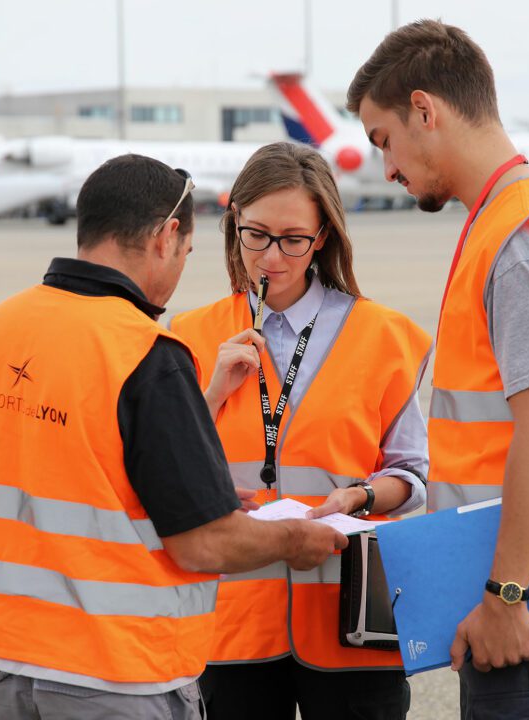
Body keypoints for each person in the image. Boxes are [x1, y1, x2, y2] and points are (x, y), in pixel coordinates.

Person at [0, 153, 348, 720]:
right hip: (111, 670)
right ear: (167, 236)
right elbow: (204, 544)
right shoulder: (144, 351)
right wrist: (297, 540)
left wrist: (193, 486)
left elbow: (65, 466)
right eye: (187, 252)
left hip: (0, 660)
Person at [347, 19, 529, 719]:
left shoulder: (518, 238)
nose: (385, 168)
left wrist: (505, 596)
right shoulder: (507, 219)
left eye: (384, 140)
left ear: (425, 109)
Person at [170, 141, 432, 720]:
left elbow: (412, 475)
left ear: (323, 238)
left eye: (293, 239)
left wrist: (359, 496)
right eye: (255, 233)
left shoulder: (384, 335)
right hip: (231, 624)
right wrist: (209, 395)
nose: (272, 257)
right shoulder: (188, 338)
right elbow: (167, 476)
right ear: (233, 221)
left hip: (352, 622)